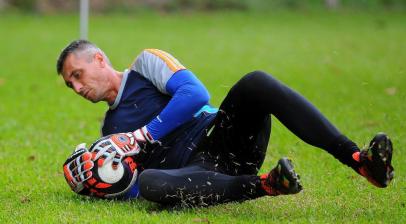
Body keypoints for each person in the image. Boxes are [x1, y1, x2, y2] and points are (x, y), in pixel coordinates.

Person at [57, 40, 394, 206]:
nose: (76, 87)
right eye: (70, 84)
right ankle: (267, 185)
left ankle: (358, 161)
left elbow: (194, 93)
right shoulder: (109, 131)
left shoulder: (147, 64)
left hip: (224, 137)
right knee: (152, 185)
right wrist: (101, 186)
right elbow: (132, 189)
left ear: (99, 59)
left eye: (77, 75)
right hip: (197, 172)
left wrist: (142, 135)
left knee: (256, 82)